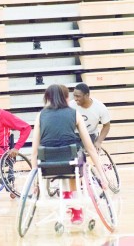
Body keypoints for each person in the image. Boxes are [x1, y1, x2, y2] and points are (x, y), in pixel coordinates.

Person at [31, 84, 108, 225]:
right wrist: (102, 176)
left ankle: (67, 196)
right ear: (66, 98)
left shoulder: (40, 115)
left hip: (47, 164)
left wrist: (34, 181)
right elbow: (90, 148)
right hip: (71, 163)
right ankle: (77, 210)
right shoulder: (74, 113)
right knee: (73, 160)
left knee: (64, 159)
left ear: (47, 98)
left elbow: (34, 150)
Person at [69, 83, 110, 151]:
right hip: (74, 135)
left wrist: (99, 142)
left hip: (91, 134)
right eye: (74, 96)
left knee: (90, 156)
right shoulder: (70, 105)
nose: (75, 99)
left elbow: (106, 125)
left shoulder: (100, 107)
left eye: (78, 96)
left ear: (87, 95)